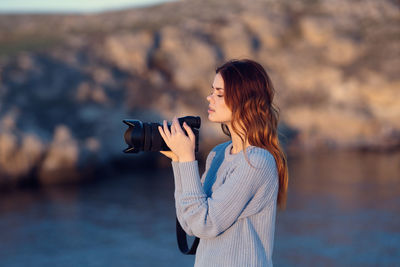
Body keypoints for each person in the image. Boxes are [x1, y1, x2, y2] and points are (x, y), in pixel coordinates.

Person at [158, 59, 288, 267]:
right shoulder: (219, 154)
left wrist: (188, 160)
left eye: (219, 94)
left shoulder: (257, 162)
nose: (210, 98)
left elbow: (206, 224)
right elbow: (189, 223)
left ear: (244, 100)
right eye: (212, 91)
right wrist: (179, 161)